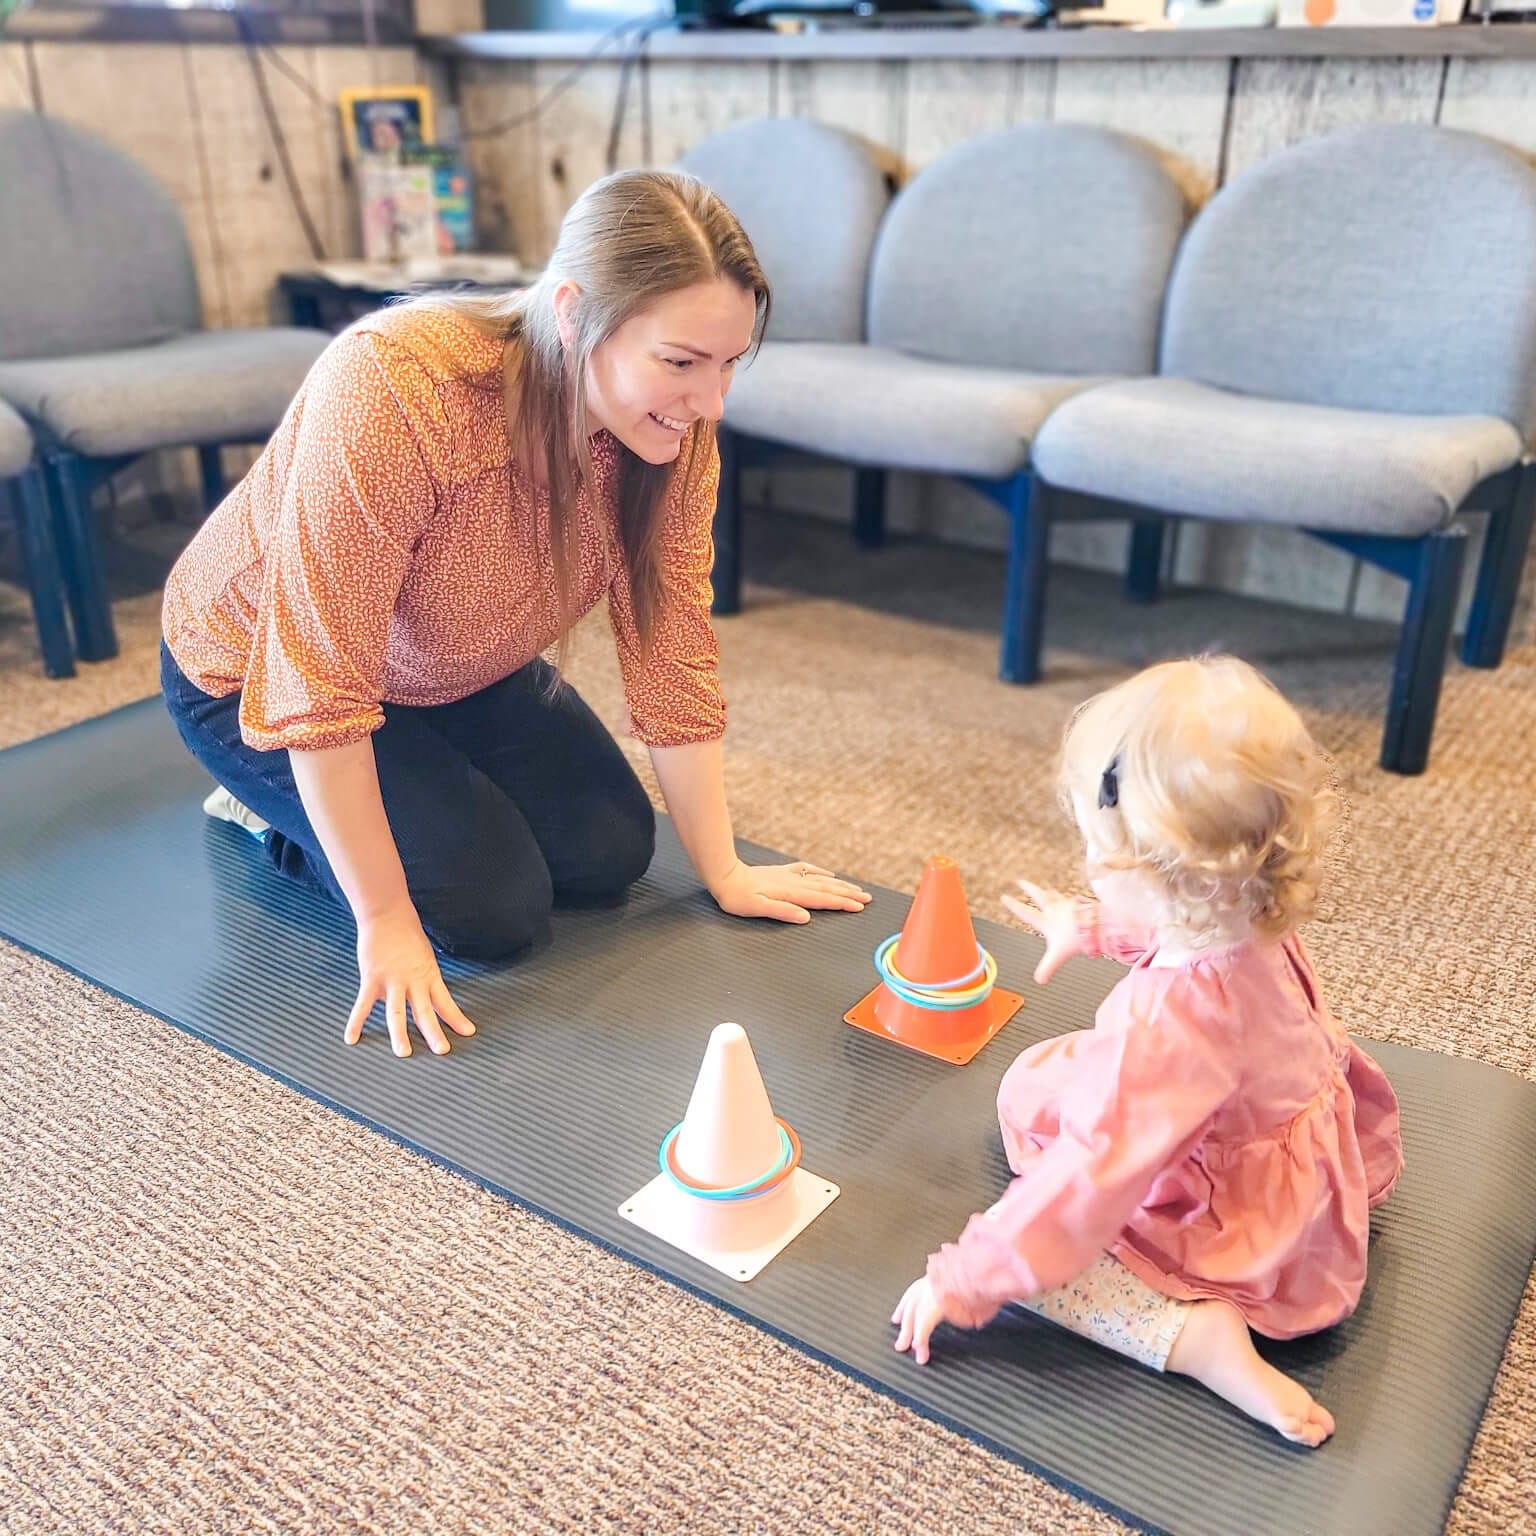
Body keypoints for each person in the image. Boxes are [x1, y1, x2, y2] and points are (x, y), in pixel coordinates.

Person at [160, 170, 871, 1062]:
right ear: (573, 315)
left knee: (611, 852)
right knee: (490, 914)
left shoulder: (672, 427)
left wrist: (723, 870)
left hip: (453, 661)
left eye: (730, 364)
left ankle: (409, 780)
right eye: (682, 362)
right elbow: (319, 675)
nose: (712, 402)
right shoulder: (395, 385)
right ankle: (266, 810)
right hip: (259, 675)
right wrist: (384, 919)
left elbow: (672, 650)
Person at [890, 656, 1402, 1447]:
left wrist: (965, 1280)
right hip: (1298, 1161)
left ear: (1165, 876)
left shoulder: (1166, 1024)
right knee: (1039, 1083)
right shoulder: (1252, 907)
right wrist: (1092, 925)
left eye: (1097, 852)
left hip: (1242, 1228)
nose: (1089, 863)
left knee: (1041, 1239)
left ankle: (1195, 1341)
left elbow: (1090, 1175)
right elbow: (1183, 922)